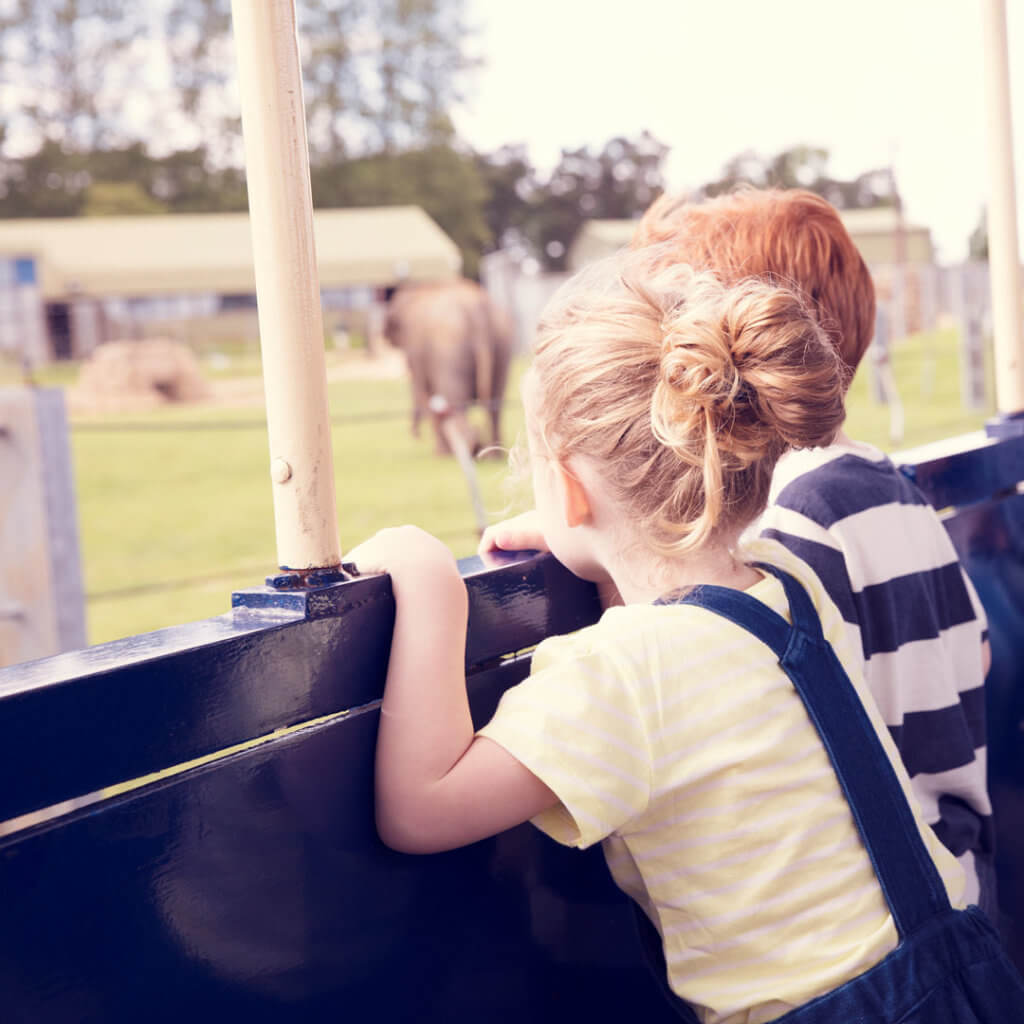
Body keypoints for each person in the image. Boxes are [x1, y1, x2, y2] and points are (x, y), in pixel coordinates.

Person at [347, 251, 1024, 1023]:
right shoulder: (788, 585)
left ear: (568, 486)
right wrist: (595, 537)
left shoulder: (619, 676)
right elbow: (675, 586)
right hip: (956, 976)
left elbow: (422, 809)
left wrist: (430, 581)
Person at [482, 187, 995, 917]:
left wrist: (600, 532)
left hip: (887, 912)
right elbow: (973, 653)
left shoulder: (789, 523)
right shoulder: (888, 484)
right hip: (964, 878)